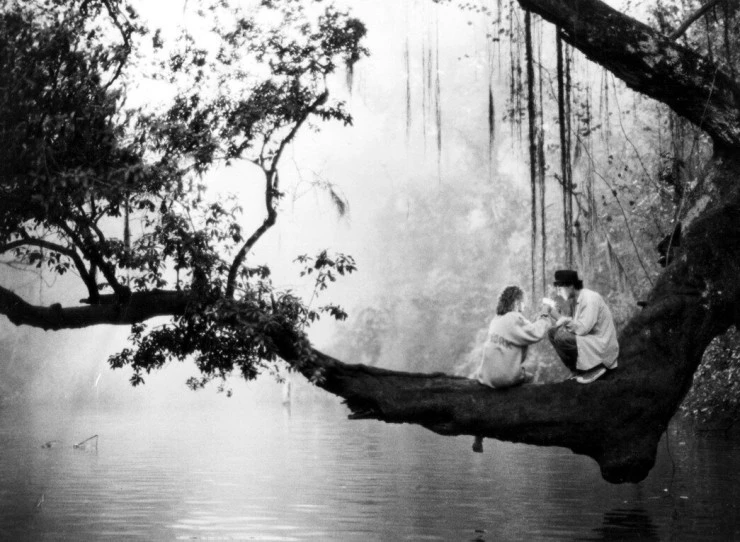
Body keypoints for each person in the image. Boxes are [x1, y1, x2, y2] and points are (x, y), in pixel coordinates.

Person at [471, 285, 552, 452]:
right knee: (530, 378)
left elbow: (522, 329)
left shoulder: (497, 319)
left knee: (488, 399)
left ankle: (478, 436)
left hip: (486, 376)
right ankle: (526, 418)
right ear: (516, 302)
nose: (524, 306)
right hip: (504, 376)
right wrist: (544, 315)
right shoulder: (515, 318)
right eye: (523, 302)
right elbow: (535, 333)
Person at [547, 269, 619, 384]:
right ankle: (578, 371)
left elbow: (582, 329)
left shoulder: (589, 298)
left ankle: (596, 368)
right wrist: (558, 316)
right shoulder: (577, 300)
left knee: (561, 337)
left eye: (559, 289)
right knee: (552, 332)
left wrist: (563, 320)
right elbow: (576, 326)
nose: (558, 293)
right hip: (590, 341)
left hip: (602, 345)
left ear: (570, 286)